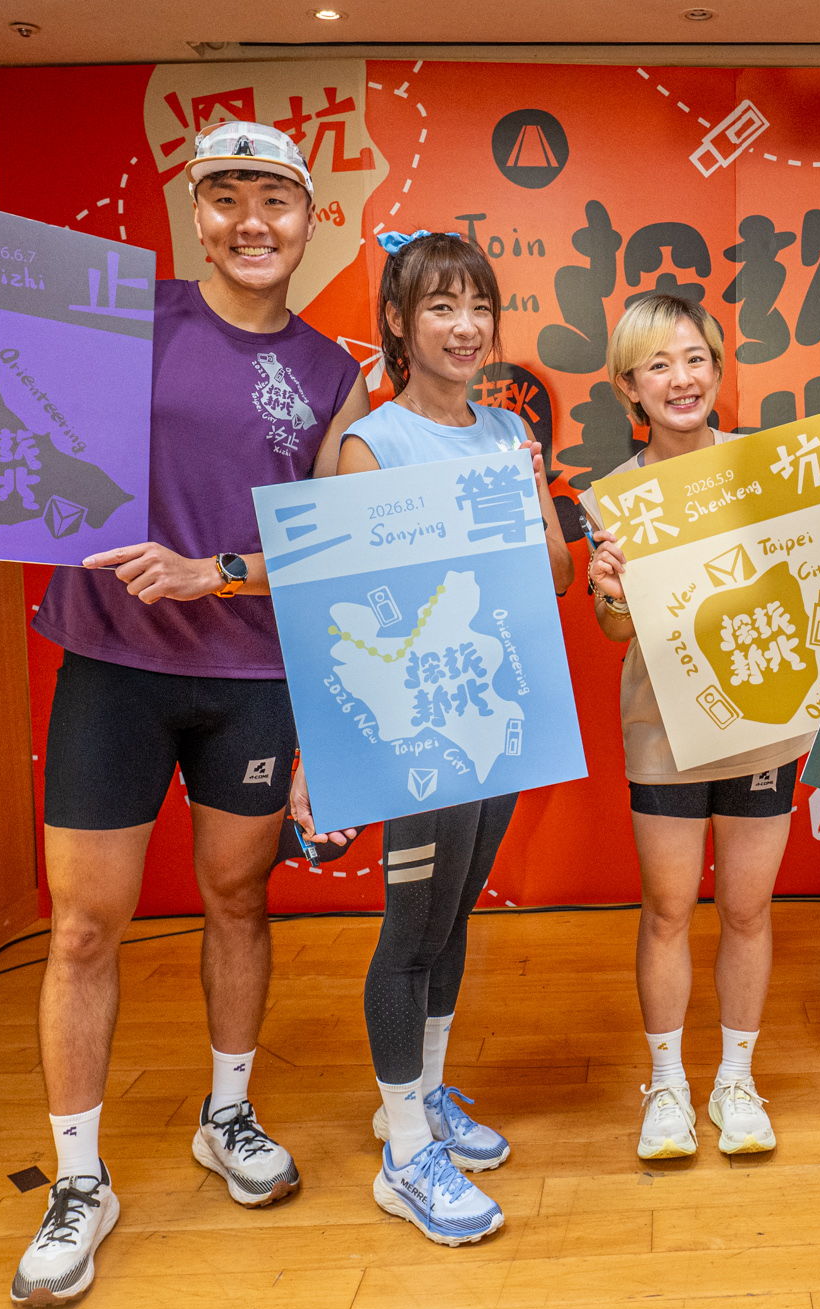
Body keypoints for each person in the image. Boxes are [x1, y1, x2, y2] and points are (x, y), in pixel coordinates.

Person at [0, 121, 367, 1305]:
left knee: (237, 899)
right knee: (80, 930)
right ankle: (77, 1181)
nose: (251, 222)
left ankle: (227, 1115)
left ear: (312, 218)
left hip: (253, 679)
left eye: (274, 198)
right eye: (226, 197)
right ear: (194, 214)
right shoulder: (114, 317)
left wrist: (223, 585)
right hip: (111, 665)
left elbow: (330, 548)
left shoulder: (331, 373)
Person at [288, 229, 573, 1246]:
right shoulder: (373, 445)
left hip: (494, 708)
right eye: (441, 307)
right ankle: (404, 1152)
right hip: (416, 722)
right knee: (409, 932)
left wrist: (530, 491)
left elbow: (553, 576)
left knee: (451, 922)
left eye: (479, 306)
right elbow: (341, 606)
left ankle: (425, 1098)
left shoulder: (506, 433)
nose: (465, 327)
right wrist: (321, 750)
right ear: (399, 325)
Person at [582, 292, 820, 1160]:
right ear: (629, 386)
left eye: (695, 358)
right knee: (668, 909)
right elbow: (616, 631)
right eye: (658, 365)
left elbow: (816, 563)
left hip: (763, 721)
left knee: (747, 908)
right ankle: (667, 1082)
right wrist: (608, 589)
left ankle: (736, 1077)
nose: (681, 378)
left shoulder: (771, 468)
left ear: (716, 368)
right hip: (664, 728)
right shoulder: (619, 499)